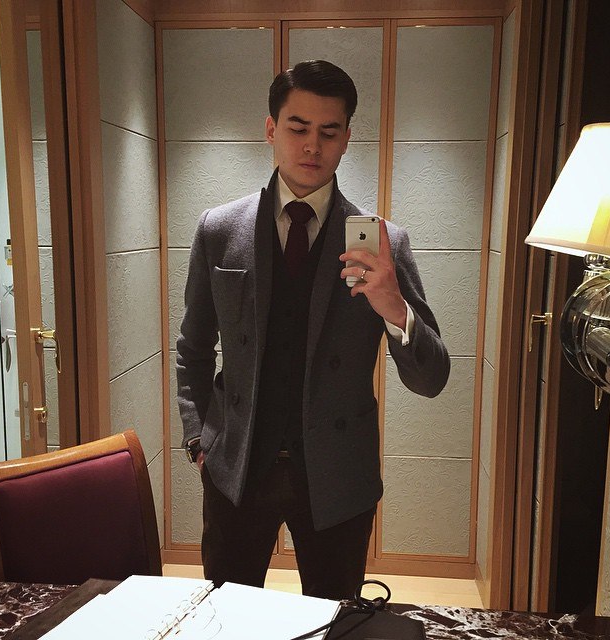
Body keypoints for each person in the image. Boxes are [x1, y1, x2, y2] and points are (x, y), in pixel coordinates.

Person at [177, 60, 450, 600]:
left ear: (347, 138)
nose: (312, 146)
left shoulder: (382, 241)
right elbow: (193, 345)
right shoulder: (219, 229)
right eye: (298, 127)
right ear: (271, 129)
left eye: (329, 131)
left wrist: (395, 308)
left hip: (337, 473)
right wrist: (198, 438)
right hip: (236, 467)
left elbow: (432, 378)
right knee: (226, 618)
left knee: (335, 617)